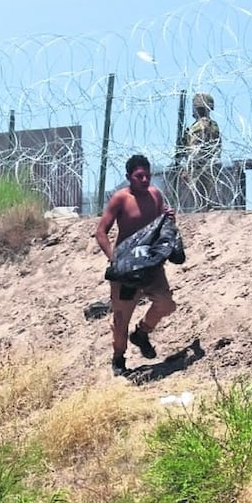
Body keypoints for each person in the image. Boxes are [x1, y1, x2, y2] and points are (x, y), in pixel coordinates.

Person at [95, 154, 177, 376]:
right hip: (127, 271)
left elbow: (161, 225)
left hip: (150, 265)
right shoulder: (120, 199)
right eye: (139, 176)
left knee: (166, 304)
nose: (144, 180)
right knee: (121, 319)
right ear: (129, 177)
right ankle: (118, 359)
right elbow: (101, 232)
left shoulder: (155, 195)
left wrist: (170, 221)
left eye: (147, 175)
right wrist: (113, 257)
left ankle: (142, 334)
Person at [178, 92, 222, 212]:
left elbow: (196, 149)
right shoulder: (212, 125)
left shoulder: (201, 125)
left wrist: (188, 167)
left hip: (200, 165)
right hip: (209, 163)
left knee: (200, 199)